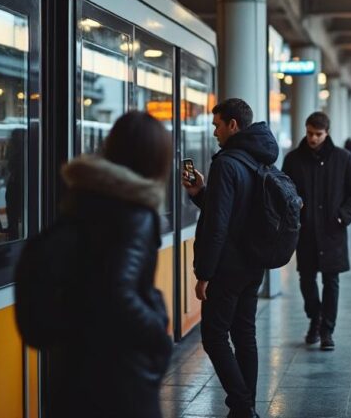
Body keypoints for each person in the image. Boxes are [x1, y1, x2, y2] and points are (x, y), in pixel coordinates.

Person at [49, 111, 173, 418]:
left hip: (74, 361)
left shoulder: (81, 198)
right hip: (120, 370)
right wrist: (157, 331)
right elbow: (117, 290)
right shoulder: (136, 214)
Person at [182, 98, 279, 418]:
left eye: (217, 125)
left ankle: (242, 405)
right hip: (254, 263)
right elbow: (237, 211)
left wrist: (203, 273)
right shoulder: (260, 160)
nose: (214, 132)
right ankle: (245, 406)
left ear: (233, 125)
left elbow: (218, 224)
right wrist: (201, 194)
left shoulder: (227, 163)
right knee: (244, 334)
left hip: (228, 266)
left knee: (213, 336)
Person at [282, 111, 351, 350]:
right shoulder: (293, 160)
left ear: (327, 133)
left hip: (332, 231)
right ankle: (315, 319)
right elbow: (283, 192)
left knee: (331, 281)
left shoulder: (344, 159)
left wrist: (342, 217)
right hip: (305, 232)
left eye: (318, 134)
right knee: (306, 279)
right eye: (309, 133)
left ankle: (327, 330)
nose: (313, 138)